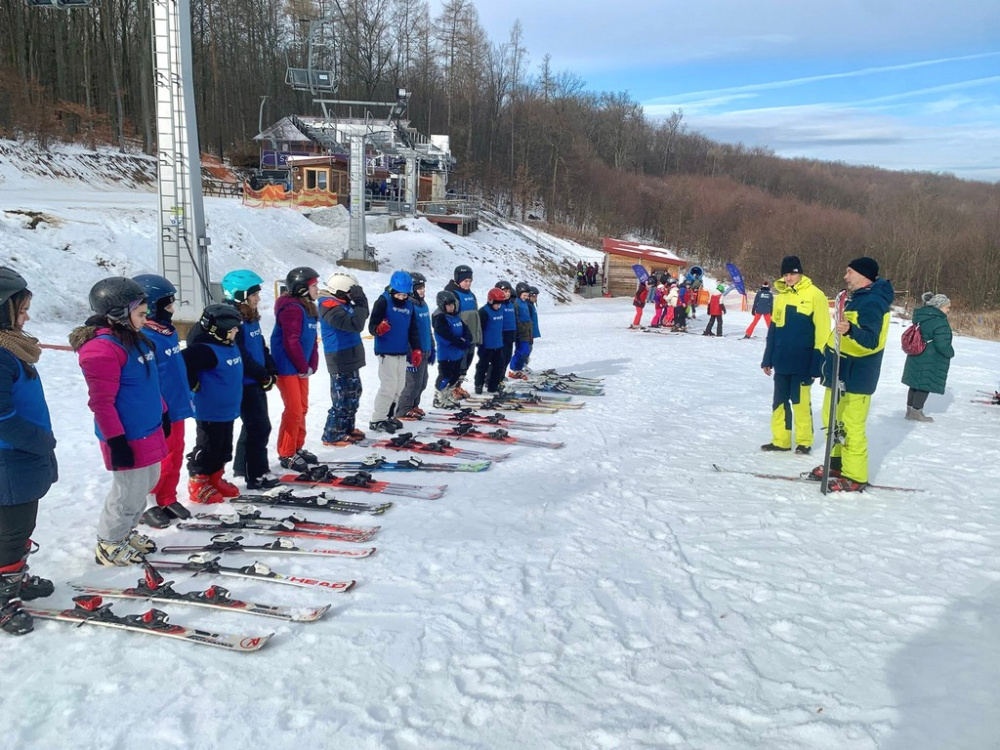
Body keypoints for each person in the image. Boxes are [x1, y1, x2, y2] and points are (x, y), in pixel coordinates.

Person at [70, 278, 167, 565]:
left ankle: (125, 532)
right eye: (141, 314)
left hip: (148, 428)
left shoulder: (134, 338)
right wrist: (116, 440)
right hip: (126, 435)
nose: (146, 319)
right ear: (119, 314)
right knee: (128, 492)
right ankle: (109, 542)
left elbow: (149, 383)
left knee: (146, 485)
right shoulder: (101, 350)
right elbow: (101, 403)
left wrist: (163, 411)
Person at [0, 268, 57, 635]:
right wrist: (40, 441)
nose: (27, 318)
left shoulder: (9, 349)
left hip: (21, 458)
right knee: (11, 532)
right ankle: (3, 596)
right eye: (21, 311)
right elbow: (2, 419)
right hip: (10, 460)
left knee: (17, 527)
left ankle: (13, 577)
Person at [811, 257, 894, 492]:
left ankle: (855, 476)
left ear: (863, 274)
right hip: (840, 372)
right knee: (833, 420)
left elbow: (871, 340)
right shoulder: (857, 298)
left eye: (849, 272)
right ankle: (837, 464)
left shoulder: (873, 302)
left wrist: (850, 330)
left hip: (857, 376)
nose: (845, 276)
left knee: (851, 426)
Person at [131, 273, 194, 527]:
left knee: (176, 453)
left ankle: (167, 496)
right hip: (160, 411)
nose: (173, 310)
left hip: (177, 405)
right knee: (158, 458)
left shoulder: (167, 332)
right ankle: (148, 502)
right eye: (168, 306)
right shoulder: (144, 338)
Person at [760, 256, 830, 454]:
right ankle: (781, 440)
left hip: (803, 361)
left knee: (800, 403)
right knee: (779, 402)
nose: (789, 278)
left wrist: (817, 361)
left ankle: (804, 442)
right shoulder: (781, 296)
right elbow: (773, 330)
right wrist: (767, 358)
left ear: (800, 273)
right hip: (782, 360)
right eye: (785, 274)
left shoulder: (815, 295)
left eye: (792, 273)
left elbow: (823, 331)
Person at [222, 270, 279, 490]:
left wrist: (270, 368)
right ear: (240, 295)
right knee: (260, 427)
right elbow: (242, 355)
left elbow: (260, 346)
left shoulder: (250, 316)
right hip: (245, 383)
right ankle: (256, 474)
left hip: (256, 380)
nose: (258, 298)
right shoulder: (232, 320)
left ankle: (242, 467)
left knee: (254, 426)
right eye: (254, 294)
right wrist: (262, 374)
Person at [182, 305, 244, 503]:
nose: (237, 331)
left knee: (223, 447)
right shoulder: (205, 350)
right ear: (218, 331)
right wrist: (193, 383)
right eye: (233, 329)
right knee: (208, 447)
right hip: (210, 411)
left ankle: (215, 478)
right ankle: (198, 481)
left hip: (228, 409)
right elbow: (181, 363)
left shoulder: (228, 344)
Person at [271, 267, 320, 472]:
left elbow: (312, 340)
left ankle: (297, 447)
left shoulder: (308, 308)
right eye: (314, 286)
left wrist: (312, 364)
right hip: (287, 367)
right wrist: (302, 366)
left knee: (302, 408)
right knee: (294, 410)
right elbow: (291, 341)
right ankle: (286, 452)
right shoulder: (292, 309)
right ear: (302, 289)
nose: (318, 290)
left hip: (300, 367)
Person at [318, 272, 370, 444]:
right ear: (339, 291)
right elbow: (356, 324)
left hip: (350, 355)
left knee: (354, 394)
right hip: (339, 357)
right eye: (349, 293)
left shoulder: (342, 303)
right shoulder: (329, 306)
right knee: (342, 398)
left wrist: (361, 301)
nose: (350, 296)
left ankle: (346, 428)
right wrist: (359, 302)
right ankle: (333, 434)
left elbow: (362, 315)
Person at [368, 271, 421, 433]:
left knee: (399, 386)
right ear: (392, 290)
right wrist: (379, 328)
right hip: (386, 351)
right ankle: (378, 419)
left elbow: (413, 329)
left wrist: (416, 348)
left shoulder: (409, 305)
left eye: (405, 295)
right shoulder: (383, 301)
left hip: (401, 351)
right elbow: (372, 327)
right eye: (399, 295)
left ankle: (389, 416)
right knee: (388, 386)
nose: (402, 298)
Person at [902, 292, 954, 422]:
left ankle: (910, 411)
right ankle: (916, 413)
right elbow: (942, 344)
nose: (948, 310)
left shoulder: (921, 317)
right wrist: (950, 352)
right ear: (939, 306)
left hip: (916, 354)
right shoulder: (939, 321)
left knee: (914, 384)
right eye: (947, 307)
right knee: (925, 384)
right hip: (930, 358)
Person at [397, 272, 434, 418]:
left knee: (422, 382)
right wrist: (408, 352)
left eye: (423, 287)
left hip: (425, 349)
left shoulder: (423, 305)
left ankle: (414, 405)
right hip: (413, 351)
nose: (422, 290)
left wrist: (432, 346)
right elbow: (404, 332)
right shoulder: (408, 306)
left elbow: (427, 328)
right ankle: (403, 409)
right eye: (419, 288)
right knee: (411, 383)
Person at [443, 265, 480, 398]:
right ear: (458, 280)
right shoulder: (451, 294)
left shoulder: (471, 295)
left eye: (470, 281)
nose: (468, 284)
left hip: (470, 336)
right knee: (456, 363)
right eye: (465, 281)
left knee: (466, 363)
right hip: (458, 337)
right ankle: (449, 389)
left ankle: (457, 386)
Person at [433, 290, 471, 408]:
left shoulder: (456, 316)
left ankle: (449, 395)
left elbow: (466, 329)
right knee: (446, 376)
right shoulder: (440, 319)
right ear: (442, 305)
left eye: (452, 304)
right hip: (447, 354)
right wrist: (459, 342)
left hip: (457, 354)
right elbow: (445, 335)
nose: (451, 307)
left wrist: (467, 339)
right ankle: (439, 398)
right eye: (448, 305)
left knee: (455, 377)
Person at [474, 288, 507, 394]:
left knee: (499, 367)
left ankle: (493, 386)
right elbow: (478, 329)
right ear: (490, 300)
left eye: (500, 304)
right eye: (496, 303)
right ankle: (479, 385)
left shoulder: (501, 310)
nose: (498, 306)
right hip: (486, 345)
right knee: (482, 366)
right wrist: (480, 343)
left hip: (498, 344)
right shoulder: (483, 312)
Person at [508, 283, 534, 378]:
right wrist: (521, 328)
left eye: (527, 295)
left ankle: (518, 369)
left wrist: (530, 329)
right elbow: (516, 318)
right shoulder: (516, 303)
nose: (526, 297)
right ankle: (512, 369)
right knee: (522, 350)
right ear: (519, 294)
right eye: (524, 295)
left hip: (527, 330)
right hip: (521, 331)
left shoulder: (525, 303)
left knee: (526, 351)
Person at [494, 281, 518, 375]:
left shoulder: (511, 304)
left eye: (508, 291)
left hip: (510, 335)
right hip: (501, 336)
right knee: (499, 359)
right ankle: (492, 379)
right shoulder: (497, 305)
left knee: (507, 358)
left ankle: (501, 377)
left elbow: (514, 320)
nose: (507, 294)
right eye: (504, 291)